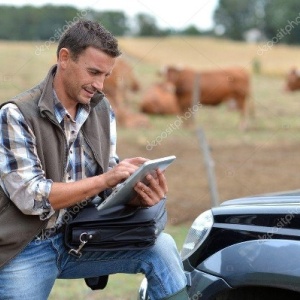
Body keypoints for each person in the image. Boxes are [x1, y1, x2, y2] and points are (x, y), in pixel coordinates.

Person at [0, 20, 188, 300]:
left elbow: (107, 179)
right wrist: (106, 179)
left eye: (106, 75)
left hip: (79, 238)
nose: (99, 85)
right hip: (26, 247)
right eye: (93, 72)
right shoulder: (15, 115)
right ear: (64, 58)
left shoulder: (102, 109)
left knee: (161, 247)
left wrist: (135, 192)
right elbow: (32, 197)